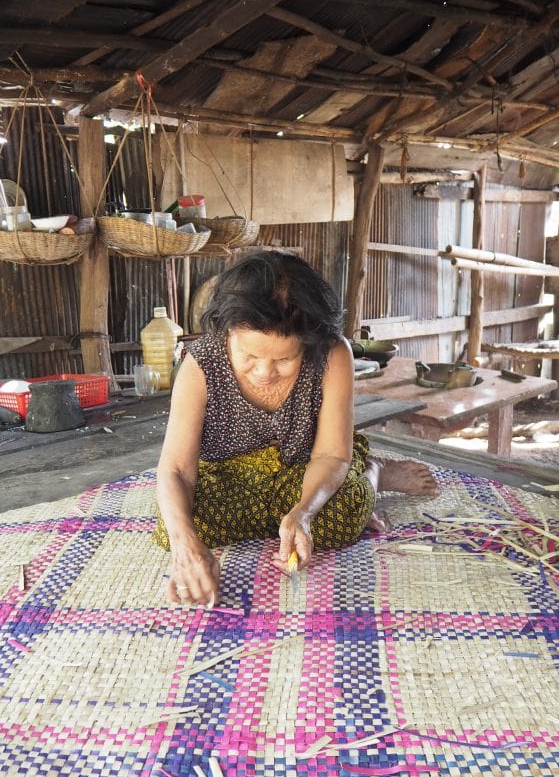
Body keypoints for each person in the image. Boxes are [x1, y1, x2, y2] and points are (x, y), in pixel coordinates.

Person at [153, 251, 438, 605]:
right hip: (230, 476)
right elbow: (177, 469)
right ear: (228, 332)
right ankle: (275, 518)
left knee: (342, 516)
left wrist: (302, 513)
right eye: (249, 357)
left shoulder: (331, 354)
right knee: (173, 526)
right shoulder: (201, 362)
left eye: (284, 359)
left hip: (302, 469)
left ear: (308, 341)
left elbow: (332, 453)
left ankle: (375, 470)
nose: (264, 372)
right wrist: (186, 546)